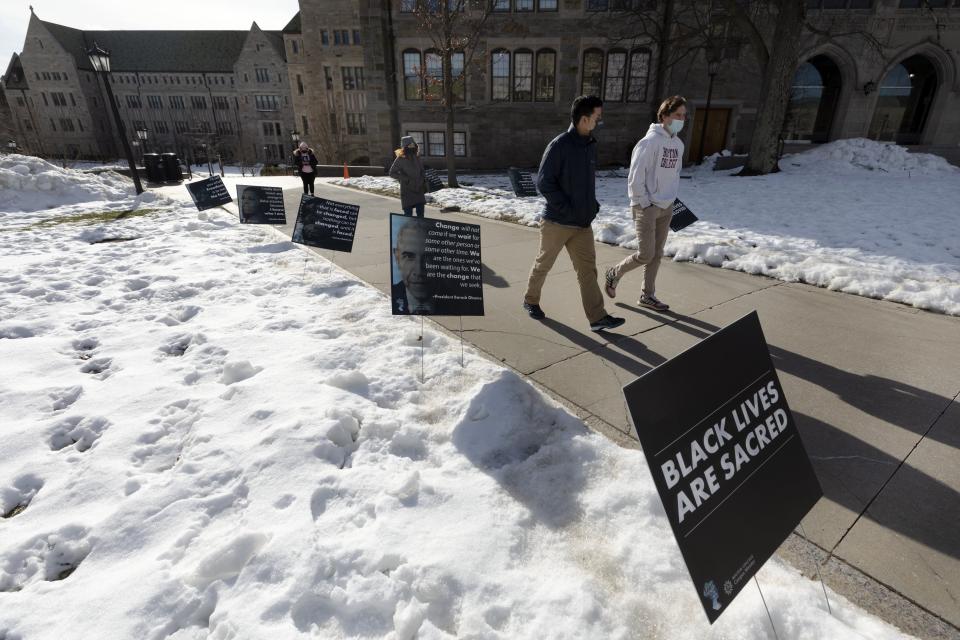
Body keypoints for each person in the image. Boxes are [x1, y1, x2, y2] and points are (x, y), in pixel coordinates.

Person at [522, 95, 625, 333]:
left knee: (588, 271)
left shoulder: (590, 144)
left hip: (582, 223)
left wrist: (592, 206)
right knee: (544, 264)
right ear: (584, 119)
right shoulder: (559, 145)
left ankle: (597, 317)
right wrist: (569, 209)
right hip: (557, 222)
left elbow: (585, 183)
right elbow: (545, 184)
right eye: (597, 117)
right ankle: (530, 300)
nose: (599, 121)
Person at [603, 96, 687, 312]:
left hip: (666, 206)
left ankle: (647, 295)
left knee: (657, 255)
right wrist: (645, 203)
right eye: (678, 115)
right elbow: (635, 177)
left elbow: (674, 175)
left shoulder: (678, 144)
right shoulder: (648, 142)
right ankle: (615, 273)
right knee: (645, 254)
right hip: (646, 206)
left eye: (684, 115)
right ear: (664, 116)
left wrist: (670, 199)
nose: (681, 119)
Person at [391, 217, 434, 314]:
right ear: (397, 257)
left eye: (428, 257)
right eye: (409, 256)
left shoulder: (462, 302)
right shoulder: (388, 298)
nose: (419, 271)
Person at [389, 136, 427, 217]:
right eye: (410, 145)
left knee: (421, 215)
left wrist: (422, 179)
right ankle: (409, 230)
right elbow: (392, 173)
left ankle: (420, 229)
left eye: (413, 145)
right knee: (408, 216)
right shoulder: (400, 159)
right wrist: (406, 179)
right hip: (407, 190)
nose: (412, 147)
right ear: (405, 147)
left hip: (419, 189)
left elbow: (422, 170)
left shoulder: (417, 157)